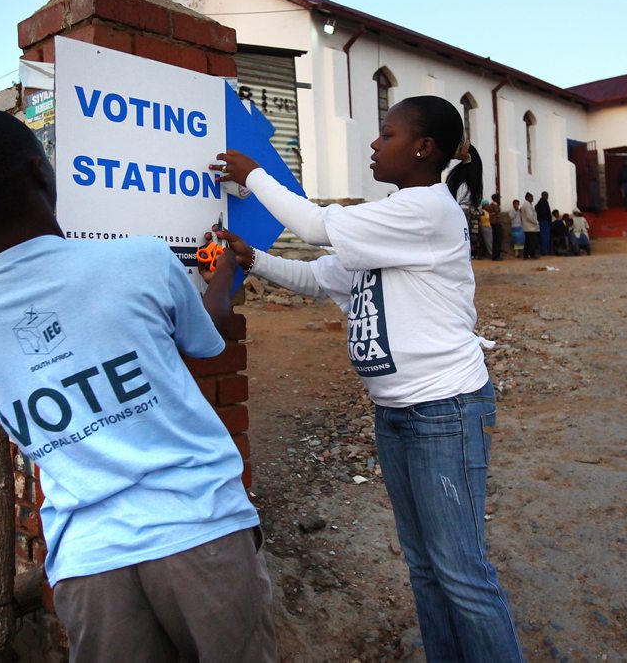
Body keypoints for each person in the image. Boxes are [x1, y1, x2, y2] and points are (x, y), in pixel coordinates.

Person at [0, 110, 276, 663]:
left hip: (87, 566)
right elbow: (205, 339)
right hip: (198, 530)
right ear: (41, 173)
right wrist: (223, 278)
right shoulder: (138, 258)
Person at [213, 96, 524, 662]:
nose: (374, 145)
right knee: (426, 567)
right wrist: (252, 258)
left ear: (423, 148)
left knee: (461, 572)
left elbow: (312, 226)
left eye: (387, 134)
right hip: (398, 413)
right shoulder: (387, 220)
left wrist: (251, 172)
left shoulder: (427, 210)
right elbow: (317, 277)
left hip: (443, 409)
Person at [518, 194, 539, 259]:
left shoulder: (528, 205)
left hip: (529, 227)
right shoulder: (527, 205)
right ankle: (531, 254)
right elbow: (529, 216)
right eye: (531, 197)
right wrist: (536, 222)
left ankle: (526, 255)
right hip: (530, 227)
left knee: (528, 242)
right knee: (531, 242)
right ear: (527, 198)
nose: (532, 198)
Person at [535, 191, 552, 257]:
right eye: (546, 196)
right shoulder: (543, 203)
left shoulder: (540, 203)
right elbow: (546, 213)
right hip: (544, 222)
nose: (547, 197)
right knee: (545, 237)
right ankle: (544, 251)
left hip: (543, 221)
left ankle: (545, 251)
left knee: (544, 237)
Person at [488, 193, 505, 261]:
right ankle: (496, 256)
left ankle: (496, 255)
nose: (499, 200)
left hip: (496, 224)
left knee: (497, 241)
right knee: (496, 241)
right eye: (498, 198)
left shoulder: (495, 205)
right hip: (495, 224)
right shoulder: (493, 206)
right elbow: (495, 215)